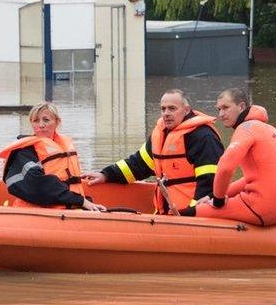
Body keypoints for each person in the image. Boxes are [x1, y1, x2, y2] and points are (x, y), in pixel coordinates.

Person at [84, 89, 224, 214]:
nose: (166, 113)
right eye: (163, 109)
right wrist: (106, 175)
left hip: (189, 214)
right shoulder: (161, 135)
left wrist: (192, 212)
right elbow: (138, 165)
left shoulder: (203, 137)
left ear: (186, 110)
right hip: (169, 212)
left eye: (172, 108)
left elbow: (210, 182)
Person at [184, 88, 276, 226]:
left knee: (187, 214)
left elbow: (225, 168)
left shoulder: (245, 128)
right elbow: (250, 178)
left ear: (241, 106)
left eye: (225, 108)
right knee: (209, 202)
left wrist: (218, 201)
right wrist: (211, 196)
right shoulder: (271, 130)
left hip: (260, 208)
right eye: (219, 109)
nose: (221, 114)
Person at [0, 102, 106, 211]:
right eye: (36, 120)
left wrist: (81, 200)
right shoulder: (25, 151)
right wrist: (81, 201)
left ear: (57, 122)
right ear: (31, 123)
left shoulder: (64, 145)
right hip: (38, 211)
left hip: (68, 205)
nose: (41, 125)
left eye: (46, 120)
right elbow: (38, 184)